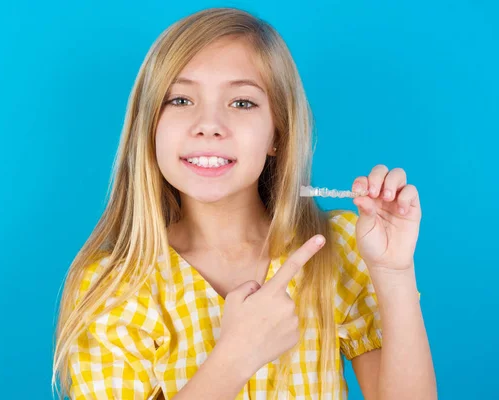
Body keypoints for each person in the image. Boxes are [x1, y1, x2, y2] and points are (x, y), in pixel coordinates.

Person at [52, 7, 436, 400]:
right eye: (181, 100)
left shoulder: (337, 248)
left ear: (277, 135)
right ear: (150, 128)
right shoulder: (116, 285)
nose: (209, 123)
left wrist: (394, 273)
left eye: (242, 103)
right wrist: (235, 357)